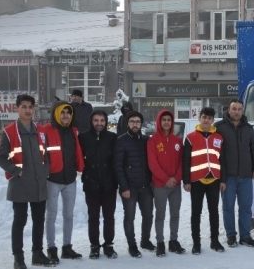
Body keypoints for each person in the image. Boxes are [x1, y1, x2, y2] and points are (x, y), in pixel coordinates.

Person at [0, 94, 54, 269]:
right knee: (19, 221)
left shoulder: (40, 131)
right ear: (17, 108)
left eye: (30, 107)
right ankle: (18, 258)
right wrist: (16, 171)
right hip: (20, 184)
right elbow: (0, 157)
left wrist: (45, 170)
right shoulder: (9, 131)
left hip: (38, 184)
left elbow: (47, 154)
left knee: (38, 220)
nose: (28, 110)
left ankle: (37, 253)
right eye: (24, 107)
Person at [41, 101, 85, 263]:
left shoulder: (74, 131)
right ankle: (51, 248)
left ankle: (67, 247)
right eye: (63, 112)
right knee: (51, 215)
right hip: (52, 180)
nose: (66, 115)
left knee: (68, 215)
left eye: (69, 112)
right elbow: (40, 153)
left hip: (70, 180)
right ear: (56, 114)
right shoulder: (46, 130)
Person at [217, 100, 254, 248]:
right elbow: (216, 154)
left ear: (242, 111)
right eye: (234, 109)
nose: (236, 112)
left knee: (246, 207)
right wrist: (219, 176)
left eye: (239, 109)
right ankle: (231, 236)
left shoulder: (248, 128)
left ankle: (245, 236)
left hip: (245, 175)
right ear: (228, 110)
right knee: (228, 207)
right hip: (227, 176)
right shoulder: (219, 128)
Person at [79, 110, 119, 259]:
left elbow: (116, 161)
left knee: (109, 216)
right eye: (96, 120)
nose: (99, 123)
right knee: (93, 216)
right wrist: (87, 178)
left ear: (106, 122)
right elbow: (80, 160)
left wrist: (114, 181)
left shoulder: (112, 137)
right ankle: (94, 246)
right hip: (91, 183)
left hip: (109, 184)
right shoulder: (83, 138)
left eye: (102, 120)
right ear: (91, 121)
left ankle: (108, 245)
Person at [183, 107, 223, 254]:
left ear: (213, 120)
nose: (206, 120)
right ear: (199, 118)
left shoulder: (219, 137)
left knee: (214, 212)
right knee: (196, 213)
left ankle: (215, 241)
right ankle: (196, 243)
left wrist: (222, 180)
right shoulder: (190, 137)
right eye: (204, 117)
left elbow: (222, 160)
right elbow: (186, 160)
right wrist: (186, 180)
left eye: (209, 118)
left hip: (214, 180)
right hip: (196, 180)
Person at [114, 110, 154, 258]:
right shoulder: (121, 140)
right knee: (129, 217)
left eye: (137, 122)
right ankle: (132, 245)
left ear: (141, 124)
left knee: (148, 215)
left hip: (145, 186)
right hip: (129, 188)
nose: (135, 124)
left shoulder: (146, 140)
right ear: (128, 124)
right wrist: (123, 187)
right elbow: (118, 166)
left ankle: (145, 240)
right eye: (132, 122)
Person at [147, 109, 184, 257]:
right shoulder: (153, 141)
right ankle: (160, 242)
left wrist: (176, 178)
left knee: (175, 214)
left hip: (175, 185)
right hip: (160, 185)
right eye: (164, 120)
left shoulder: (177, 141)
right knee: (160, 215)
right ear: (159, 122)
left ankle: (173, 241)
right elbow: (152, 164)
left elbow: (182, 162)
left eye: (169, 120)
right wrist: (165, 179)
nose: (167, 122)